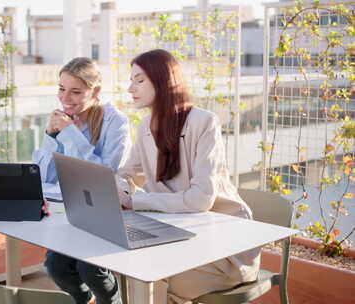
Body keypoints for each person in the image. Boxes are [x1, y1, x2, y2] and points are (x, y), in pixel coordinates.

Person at [117, 49, 260, 304]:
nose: (130, 88)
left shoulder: (204, 122)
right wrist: (117, 190)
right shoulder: (145, 127)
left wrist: (135, 201)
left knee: (149, 276)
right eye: (131, 80)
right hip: (181, 240)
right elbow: (127, 174)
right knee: (128, 270)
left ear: (163, 81)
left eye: (139, 80)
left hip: (225, 250)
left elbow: (200, 199)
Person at [33, 57, 130, 304]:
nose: (66, 98)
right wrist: (51, 136)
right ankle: (84, 300)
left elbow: (102, 177)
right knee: (56, 265)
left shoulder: (115, 122)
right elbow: (46, 176)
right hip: (72, 211)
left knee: (89, 268)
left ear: (95, 91)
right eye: (62, 89)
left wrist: (69, 134)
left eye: (76, 91)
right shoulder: (63, 119)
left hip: (107, 210)